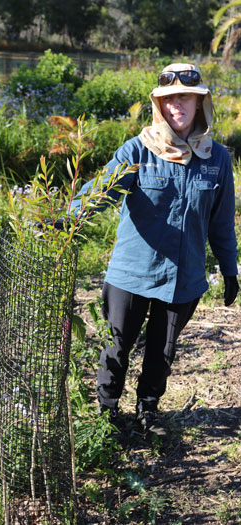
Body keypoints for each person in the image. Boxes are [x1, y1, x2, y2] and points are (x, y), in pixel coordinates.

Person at [70, 63, 239, 437]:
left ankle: (149, 412)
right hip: (131, 274)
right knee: (117, 346)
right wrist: (65, 222)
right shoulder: (138, 150)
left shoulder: (217, 160)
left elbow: (221, 222)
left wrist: (230, 269)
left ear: (200, 103)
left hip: (185, 277)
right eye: (168, 98)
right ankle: (108, 414)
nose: (176, 105)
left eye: (185, 97)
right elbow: (98, 193)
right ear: (158, 105)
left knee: (162, 352)